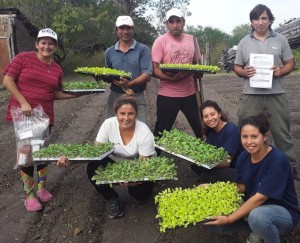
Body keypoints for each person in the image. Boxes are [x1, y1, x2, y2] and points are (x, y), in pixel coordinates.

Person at [2, 28, 84, 212]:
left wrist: (76, 96)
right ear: (37, 44)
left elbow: (55, 93)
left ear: (55, 47)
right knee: (27, 155)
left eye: (51, 43)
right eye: (43, 42)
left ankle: (42, 188)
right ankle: (29, 194)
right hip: (25, 116)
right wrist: (23, 102)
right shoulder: (23, 58)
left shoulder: (56, 68)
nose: (47, 46)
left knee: (43, 152)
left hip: (45, 116)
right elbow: (7, 80)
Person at [205, 113, 300, 243]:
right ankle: (258, 230)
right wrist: (212, 188)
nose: (249, 142)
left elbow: (259, 199)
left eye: (254, 136)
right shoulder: (244, 157)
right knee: (217, 226)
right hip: (256, 207)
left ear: (265, 136)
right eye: (245, 137)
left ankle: (267, 235)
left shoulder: (277, 160)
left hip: (282, 213)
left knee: (257, 217)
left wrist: (229, 219)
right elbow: (242, 187)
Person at [58, 95, 156, 219]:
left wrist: (128, 180)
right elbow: (96, 151)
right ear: (116, 114)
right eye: (122, 113)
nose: (126, 118)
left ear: (136, 114)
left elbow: (143, 164)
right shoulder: (108, 124)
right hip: (114, 161)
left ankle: (143, 193)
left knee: (138, 192)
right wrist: (71, 161)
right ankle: (112, 198)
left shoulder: (144, 131)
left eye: (131, 114)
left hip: (138, 164)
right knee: (93, 167)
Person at [233, 4, 299, 180]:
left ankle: (290, 166)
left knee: (281, 131)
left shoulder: (281, 40)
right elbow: (237, 66)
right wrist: (244, 72)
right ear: (251, 22)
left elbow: (290, 63)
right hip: (251, 95)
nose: (260, 22)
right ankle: (244, 165)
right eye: (256, 19)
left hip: (276, 94)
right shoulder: (244, 42)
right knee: (245, 129)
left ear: (270, 20)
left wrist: (281, 71)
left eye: (264, 18)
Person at [151, 8, 203, 141]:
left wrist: (198, 72)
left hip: (189, 94)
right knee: (161, 130)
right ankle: (153, 158)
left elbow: (197, 64)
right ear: (166, 24)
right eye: (171, 21)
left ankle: (203, 161)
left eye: (178, 21)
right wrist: (171, 78)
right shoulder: (160, 41)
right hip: (168, 94)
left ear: (183, 22)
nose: (175, 25)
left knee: (200, 128)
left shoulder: (192, 40)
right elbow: (155, 69)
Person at [104, 15, 152, 124]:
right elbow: (108, 74)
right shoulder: (109, 52)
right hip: (115, 95)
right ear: (116, 30)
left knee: (142, 127)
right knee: (112, 128)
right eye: (122, 28)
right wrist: (102, 77)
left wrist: (129, 84)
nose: (125, 31)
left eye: (128, 28)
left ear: (133, 29)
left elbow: (147, 75)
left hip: (137, 95)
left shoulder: (143, 49)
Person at [191, 100, 244, 183]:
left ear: (219, 114)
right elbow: (208, 152)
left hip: (237, 168)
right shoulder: (211, 131)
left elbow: (226, 162)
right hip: (220, 166)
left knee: (208, 174)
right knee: (195, 166)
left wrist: (203, 161)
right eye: (206, 116)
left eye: (212, 114)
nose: (210, 119)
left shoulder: (231, 130)